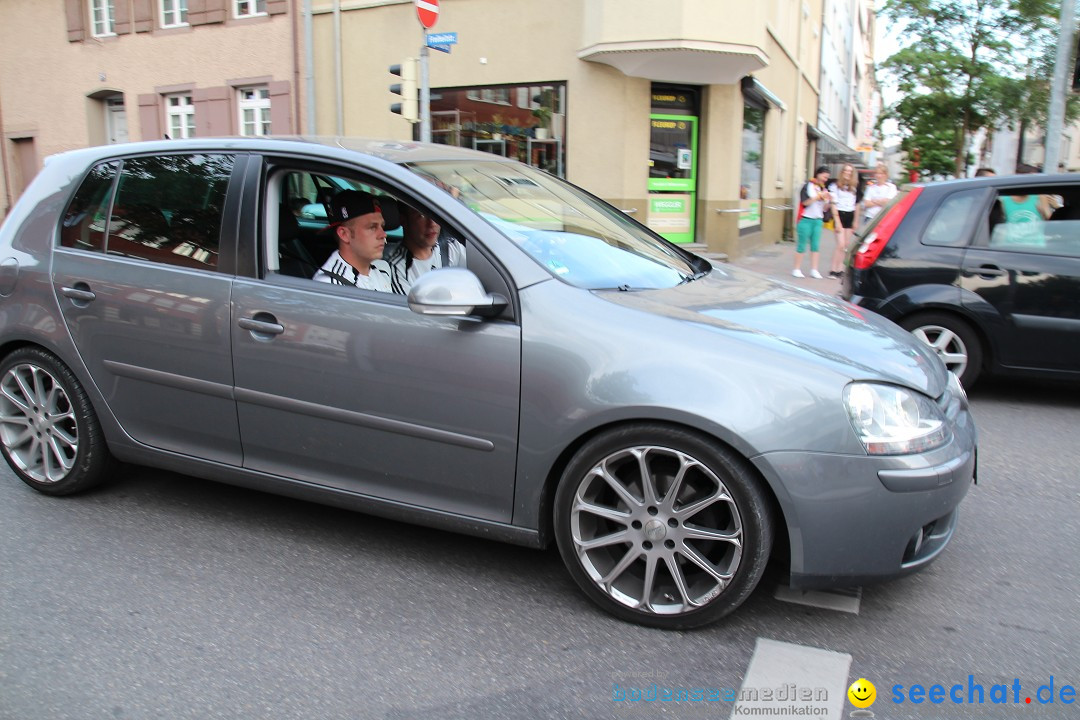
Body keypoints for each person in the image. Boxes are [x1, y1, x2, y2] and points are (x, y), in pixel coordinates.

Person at [313, 190, 392, 291]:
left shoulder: (382, 268)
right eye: (372, 227)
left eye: (382, 226)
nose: (383, 234)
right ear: (344, 234)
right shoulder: (330, 286)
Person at [384, 204, 466, 295]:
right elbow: (408, 308)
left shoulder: (452, 248)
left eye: (436, 214)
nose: (432, 223)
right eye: (421, 215)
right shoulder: (397, 269)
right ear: (403, 220)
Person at [792, 166, 831, 278]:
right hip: (805, 219)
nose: (825, 179)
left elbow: (824, 208)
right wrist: (818, 197)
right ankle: (796, 269)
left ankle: (814, 269)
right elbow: (805, 203)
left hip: (818, 220)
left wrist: (828, 200)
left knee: (815, 245)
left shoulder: (822, 189)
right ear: (818, 174)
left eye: (827, 178)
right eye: (824, 176)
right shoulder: (807, 186)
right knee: (802, 245)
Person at [827, 163, 861, 278]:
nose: (848, 173)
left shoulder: (855, 187)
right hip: (839, 215)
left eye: (850, 171)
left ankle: (840, 269)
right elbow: (833, 204)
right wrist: (837, 221)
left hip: (850, 215)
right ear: (842, 172)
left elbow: (857, 205)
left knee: (846, 245)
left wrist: (856, 221)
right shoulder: (834, 186)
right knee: (840, 244)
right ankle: (833, 269)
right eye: (846, 171)